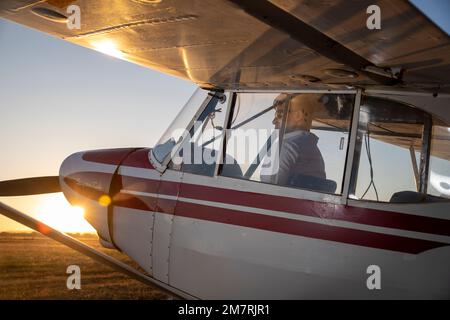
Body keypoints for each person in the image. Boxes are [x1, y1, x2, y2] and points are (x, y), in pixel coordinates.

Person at [260, 93, 326, 188]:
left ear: (298, 116)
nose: (274, 121)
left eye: (279, 115)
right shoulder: (310, 148)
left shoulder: (286, 145)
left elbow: (267, 188)